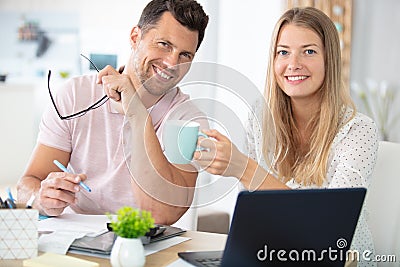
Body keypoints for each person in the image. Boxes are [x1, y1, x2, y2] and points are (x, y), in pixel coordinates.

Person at [194, 7, 378, 266]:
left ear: (330, 60)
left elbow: (329, 229)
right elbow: (254, 215)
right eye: (283, 52)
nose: (293, 64)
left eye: (309, 51)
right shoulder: (260, 119)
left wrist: (244, 168)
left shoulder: (357, 130)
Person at [17, 0, 209, 225]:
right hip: (73, 239)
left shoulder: (188, 122)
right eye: (164, 44)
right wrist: (41, 198)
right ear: (135, 37)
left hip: (139, 244)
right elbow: (28, 183)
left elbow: (161, 215)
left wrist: (137, 113)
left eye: (185, 55)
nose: (171, 63)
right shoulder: (75, 95)